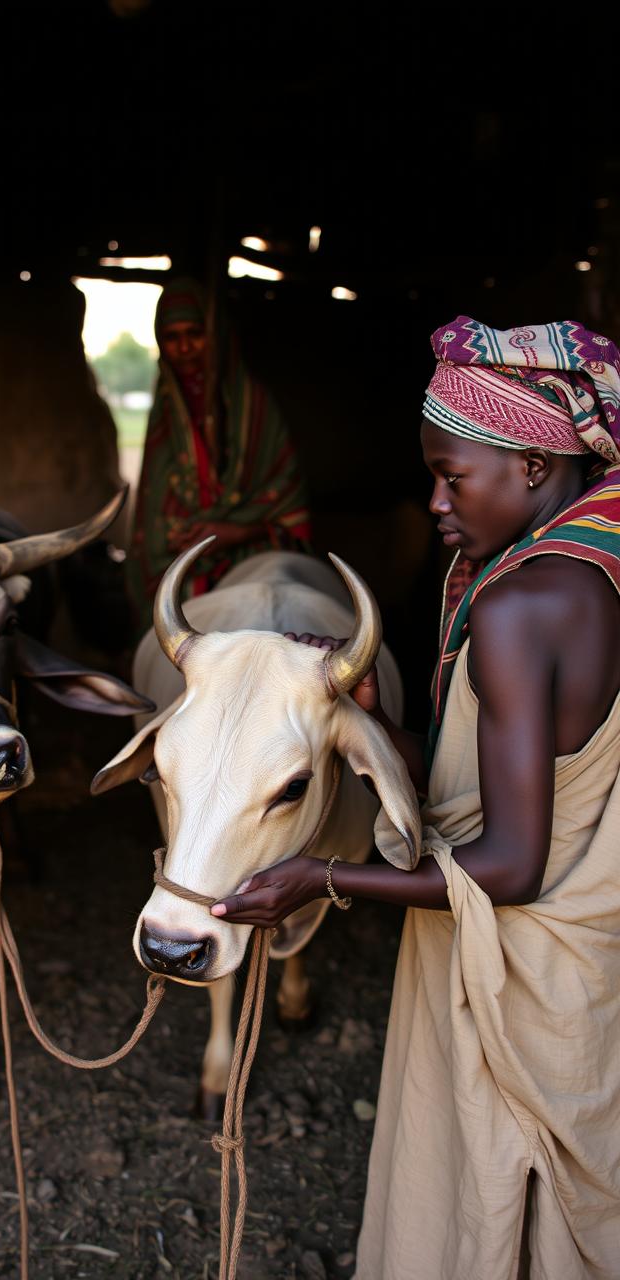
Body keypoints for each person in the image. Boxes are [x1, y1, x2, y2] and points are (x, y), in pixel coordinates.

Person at [210, 317, 620, 1279]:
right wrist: (366, 717)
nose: (433, 502)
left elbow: (511, 866)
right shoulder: (590, 570)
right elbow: (483, 776)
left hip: (523, 962)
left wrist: (320, 876)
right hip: (587, 962)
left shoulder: (521, 606)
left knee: (491, 1203)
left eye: (453, 476)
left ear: (530, 462)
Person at [126, 277, 311, 632]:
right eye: (172, 337)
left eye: (195, 333)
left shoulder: (255, 409)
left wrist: (233, 532)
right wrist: (177, 532)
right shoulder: (164, 414)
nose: (184, 348)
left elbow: (287, 497)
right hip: (183, 554)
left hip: (249, 553)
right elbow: (153, 509)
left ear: (216, 336)